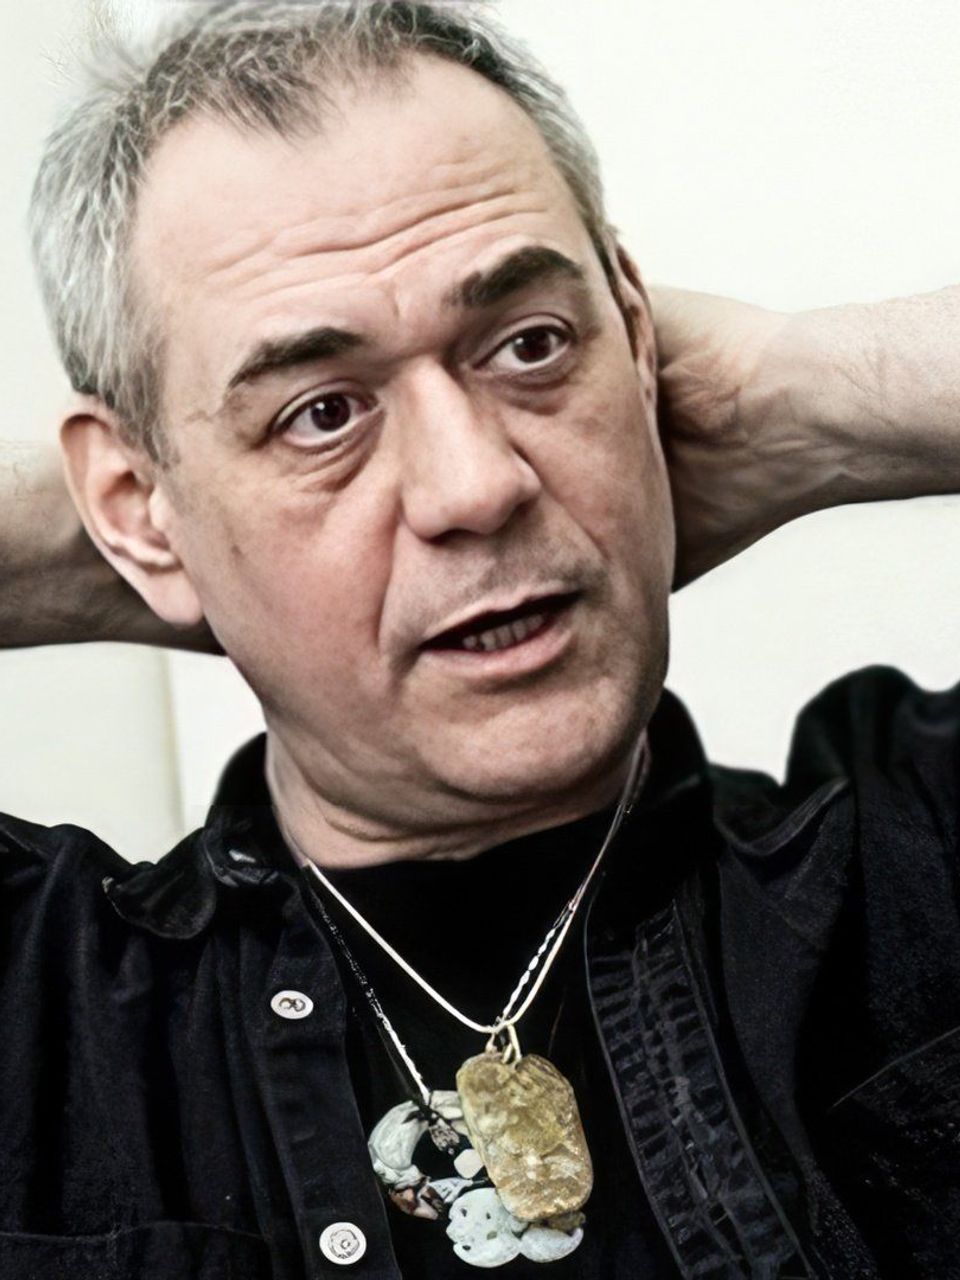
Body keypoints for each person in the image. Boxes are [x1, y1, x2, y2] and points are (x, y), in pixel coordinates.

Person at [2, 1, 958, 1276]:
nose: (477, 486)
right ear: (130, 501)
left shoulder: (915, 864)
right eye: (321, 412)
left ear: (637, 338)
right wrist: (163, 547)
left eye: (531, 344)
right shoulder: (45, 1018)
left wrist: (799, 400)